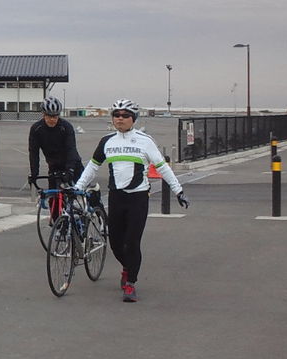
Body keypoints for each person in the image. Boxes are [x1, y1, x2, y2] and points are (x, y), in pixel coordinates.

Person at [73, 98, 189, 303]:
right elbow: (92, 166)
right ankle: (127, 267)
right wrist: (78, 187)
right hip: (116, 197)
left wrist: (178, 191)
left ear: (133, 118)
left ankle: (130, 283)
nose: (120, 118)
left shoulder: (145, 141)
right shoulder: (107, 141)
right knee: (116, 243)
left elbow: (162, 167)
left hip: (138, 198)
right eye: (116, 115)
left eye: (125, 115)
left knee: (132, 242)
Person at [28, 97, 84, 203]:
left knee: (82, 192)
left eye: (55, 116)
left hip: (73, 164)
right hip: (54, 166)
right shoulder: (36, 129)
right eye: (49, 116)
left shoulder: (66, 127)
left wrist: (70, 170)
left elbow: (71, 149)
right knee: (54, 200)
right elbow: (33, 153)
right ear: (43, 114)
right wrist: (34, 173)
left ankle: (94, 205)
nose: (52, 119)